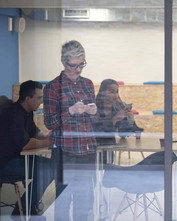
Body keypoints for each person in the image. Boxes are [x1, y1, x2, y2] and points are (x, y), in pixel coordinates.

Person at [43, 40, 97, 221]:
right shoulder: (53, 87)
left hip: (87, 148)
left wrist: (94, 112)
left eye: (82, 64)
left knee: (85, 198)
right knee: (63, 199)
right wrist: (70, 111)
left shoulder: (88, 84)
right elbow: (49, 123)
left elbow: (93, 121)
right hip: (64, 150)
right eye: (73, 65)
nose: (78, 69)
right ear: (63, 62)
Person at [0, 80, 53, 218]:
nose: (41, 101)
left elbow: (36, 134)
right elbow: (26, 144)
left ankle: (26, 208)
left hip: (17, 158)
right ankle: (21, 211)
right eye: (39, 98)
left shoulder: (27, 112)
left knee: (53, 167)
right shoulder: (14, 114)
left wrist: (51, 135)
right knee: (48, 170)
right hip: (5, 162)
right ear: (28, 99)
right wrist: (50, 141)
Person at [94, 78, 143, 144]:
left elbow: (123, 134)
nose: (115, 95)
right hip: (96, 148)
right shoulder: (94, 108)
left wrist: (130, 120)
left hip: (111, 147)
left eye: (117, 92)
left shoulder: (117, 108)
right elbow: (98, 132)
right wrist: (114, 120)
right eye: (111, 92)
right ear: (103, 92)